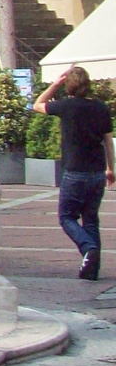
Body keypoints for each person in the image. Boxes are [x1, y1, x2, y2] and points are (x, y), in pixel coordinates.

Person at [35, 65, 116, 280]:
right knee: (91, 220)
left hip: (75, 171)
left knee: (66, 217)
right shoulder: (101, 108)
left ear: (69, 85)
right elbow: (108, 142)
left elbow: (37, 105)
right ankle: (92, 269)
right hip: (97, 172)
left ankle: (88, 248)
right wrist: (111, 169)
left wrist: (55, 84)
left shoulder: (66, 106)